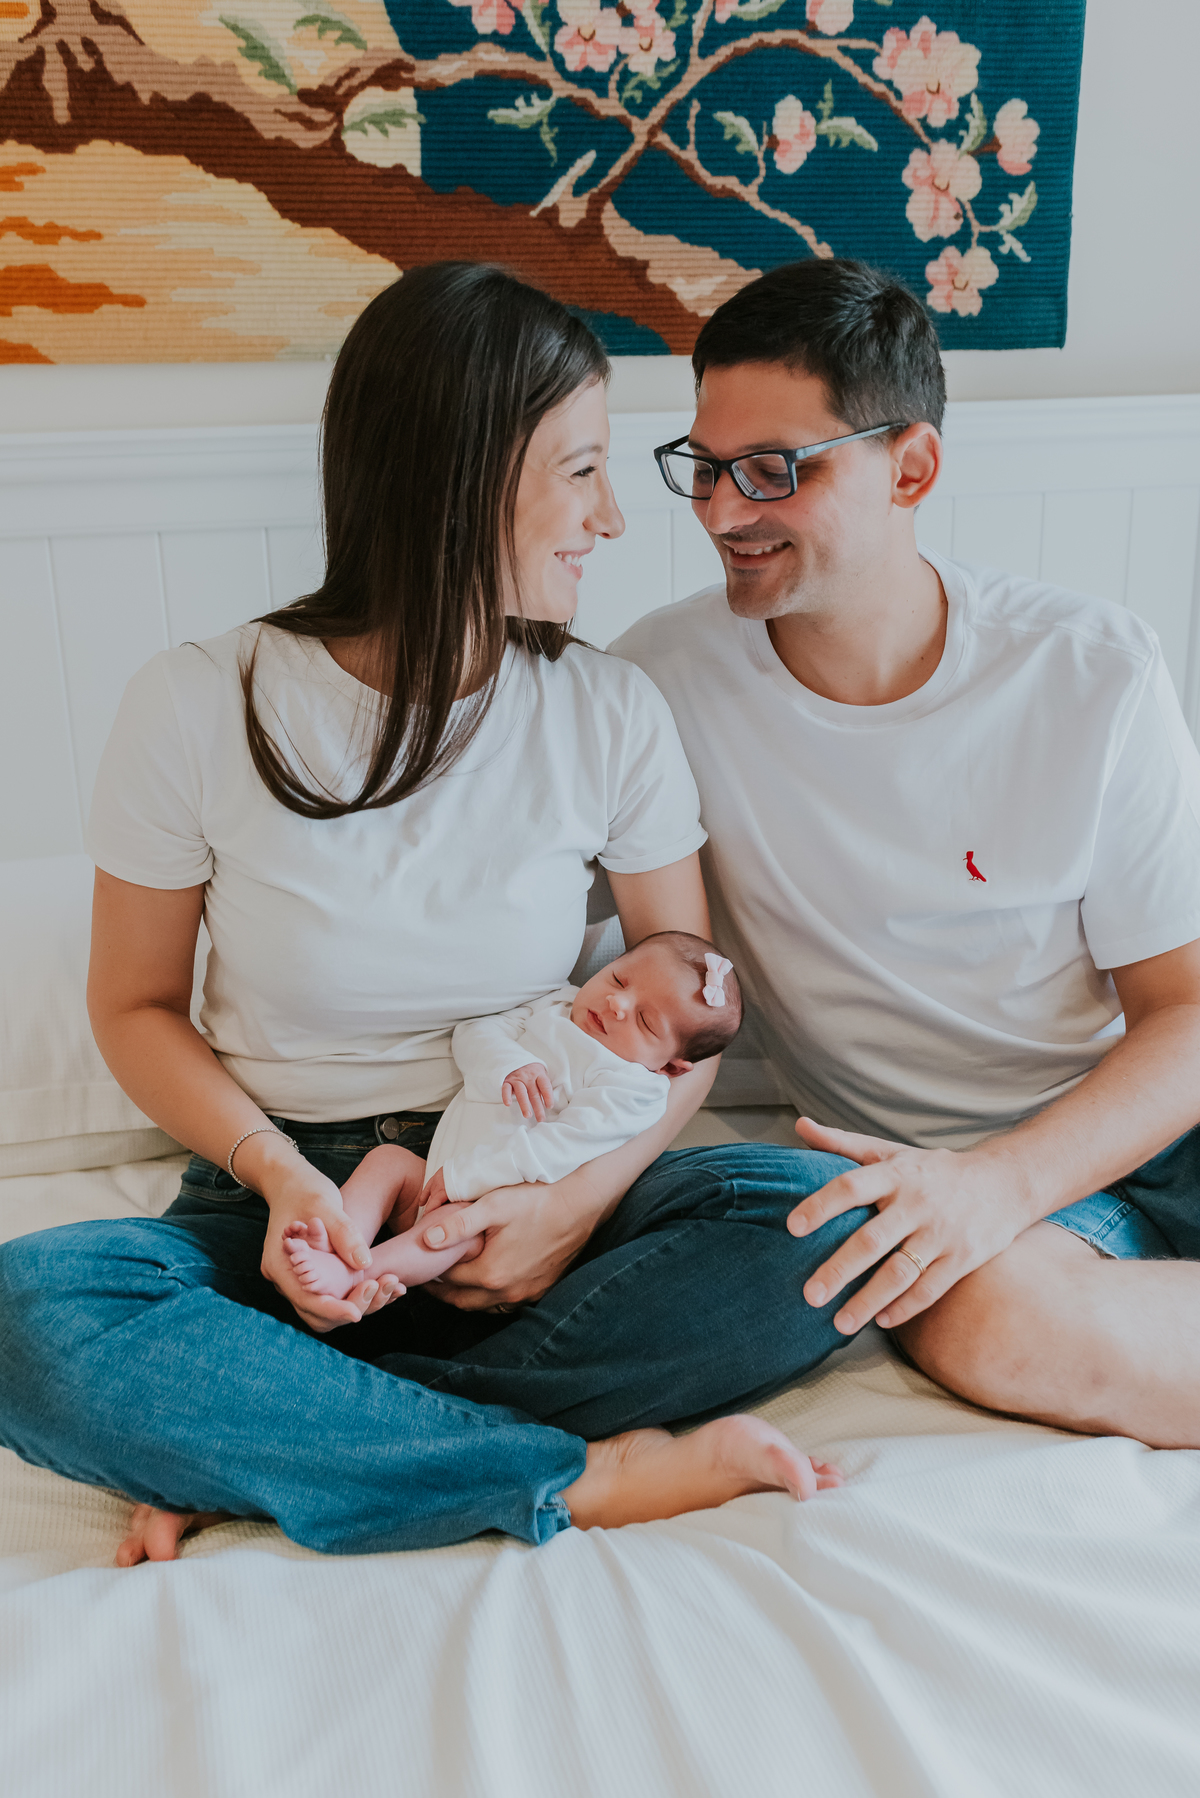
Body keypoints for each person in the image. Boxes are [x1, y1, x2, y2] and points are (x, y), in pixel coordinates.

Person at [0, 264, 854, 1565]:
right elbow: (131, 1005)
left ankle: (277, 1443)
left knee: (824, 1215)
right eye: (580, 471)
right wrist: (284, 1179)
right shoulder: (197, 704)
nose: (615, 518)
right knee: (33, 1308)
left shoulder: (607, 712)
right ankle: (572, 1469)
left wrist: (570, 1208)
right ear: (463, 472)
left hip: (546, 1168)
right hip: (282, 1197)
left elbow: (689, 1023)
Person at [607, 258, 1200, 1451]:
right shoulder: (658, 686)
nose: (725, 512)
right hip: (983, 1200)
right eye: (706, 470)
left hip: (1134, 1120)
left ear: (912, 466)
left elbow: (1185, 1011)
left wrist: (1004, 1184)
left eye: (776, 470)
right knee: (978, 1320)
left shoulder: (1089, 670)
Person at [282, 932, 743, 1301]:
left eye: (645, 1021)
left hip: (494, 1212)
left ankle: (359, 1276)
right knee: (386, 1163)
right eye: (620, 979)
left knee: (452, 1229)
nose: (617, 1005)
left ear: (671, 1067)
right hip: (431, 1177)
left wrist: (468, 1180)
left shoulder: (634, 1088)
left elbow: (554, 1149)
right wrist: (507, 1062)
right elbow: (475, 1033)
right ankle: (340, 1242)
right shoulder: (558, 1004)